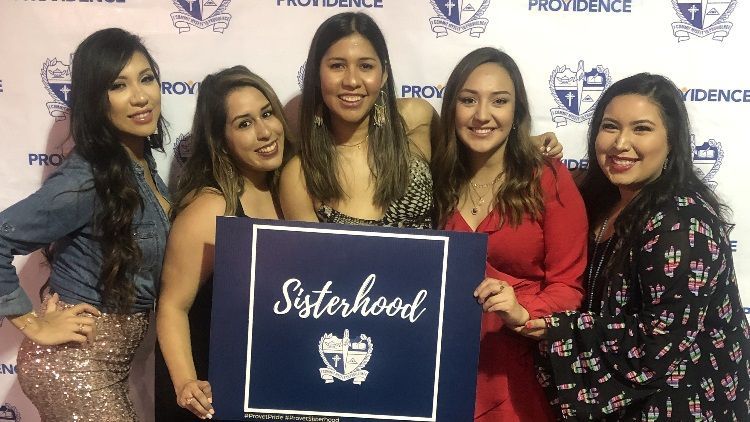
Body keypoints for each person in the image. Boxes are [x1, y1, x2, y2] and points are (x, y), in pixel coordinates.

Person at [525, 73, 750, 420]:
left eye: (641, 129)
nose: (620, 143)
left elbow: (657, 343)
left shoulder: (682, 223)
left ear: (672, 141)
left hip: (680, 407)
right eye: (610, 126)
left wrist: (553, 327)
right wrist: (526, 147)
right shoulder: (601, 200)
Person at [0, 28, 170, 420]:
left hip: (106, 366)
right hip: (73, 366)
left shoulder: (139, 164)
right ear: (96, 100)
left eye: (147, 78)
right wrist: (35, 325)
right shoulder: (88, 176)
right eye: (118, 85)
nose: (141, 96)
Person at [432, 47, 587, 421]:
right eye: (468, 100)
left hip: (518, 376)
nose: (482, 115)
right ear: (452, 106)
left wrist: (522, 314)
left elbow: (569, 286)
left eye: (499, 101)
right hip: (441, 370)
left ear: (516, 112)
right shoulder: (435, 177)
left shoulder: (547, 179)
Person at [155, 65, 292, 421]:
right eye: (244, 124)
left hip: (272, 386)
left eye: (267, 114)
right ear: (221, 140)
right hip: (220, 394)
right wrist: (186, 382)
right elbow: (172, 305)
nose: (265, 132)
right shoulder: (211, 207)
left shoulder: (288, 191)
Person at [279, 12, 435, 228]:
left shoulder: (417, 120)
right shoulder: (300, 175)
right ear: (316, 73)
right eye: (337, 66)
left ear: (384, 74)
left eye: (366, 66)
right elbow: (312, 259)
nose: (352, 81)